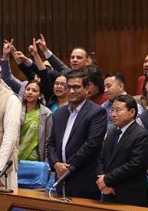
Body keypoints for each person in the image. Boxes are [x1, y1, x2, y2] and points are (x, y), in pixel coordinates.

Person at [46, 71, 107, 199]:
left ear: (87, 88)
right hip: (61, 178)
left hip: (83, 180)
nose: (72, 91)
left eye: (76, 87)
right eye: (68, 87)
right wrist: (56, 164)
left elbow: (92, 144)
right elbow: (51, 143)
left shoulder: (97, 112)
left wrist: (69, 166)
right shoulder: (59, 113)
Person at [18, 80, 53, 162]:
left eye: (34, 91)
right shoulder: (16, 109)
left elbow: (48, 140)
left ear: (40, 95)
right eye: (28, 89)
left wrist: (46, 162)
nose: (30, 92)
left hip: (34, 160)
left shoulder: (46, 113)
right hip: (14, 157)